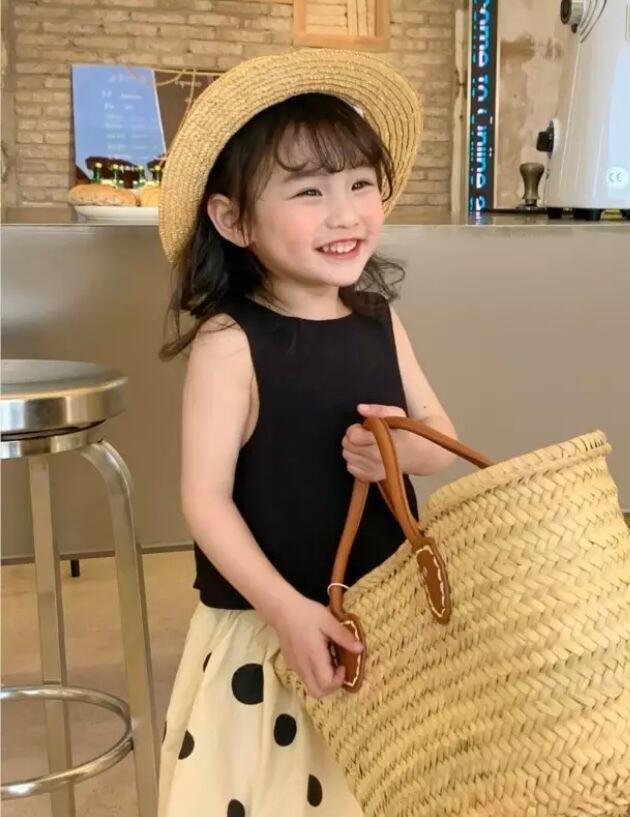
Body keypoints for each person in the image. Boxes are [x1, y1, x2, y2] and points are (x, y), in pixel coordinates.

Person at [155, 50, 456, 816]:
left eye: (360, 183)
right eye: (309, 191)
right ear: (233, 220)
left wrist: (400, 449)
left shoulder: (380, 322)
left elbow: (440, 436)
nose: (345, 213)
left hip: (382, 617)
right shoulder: (230, 344)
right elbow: (204, 499)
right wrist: (287, 611)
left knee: (381, 786)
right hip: (269, 629)